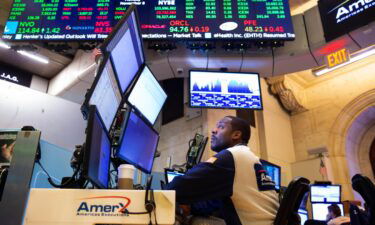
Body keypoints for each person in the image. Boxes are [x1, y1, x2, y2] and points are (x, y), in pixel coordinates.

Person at [167, 116, 279, 225]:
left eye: (221, 127)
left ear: (236, 134)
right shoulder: (249, 159)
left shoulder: (231, 157)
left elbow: (177, 188)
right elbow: (214, 203)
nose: (213, 130)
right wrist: (191, 207)